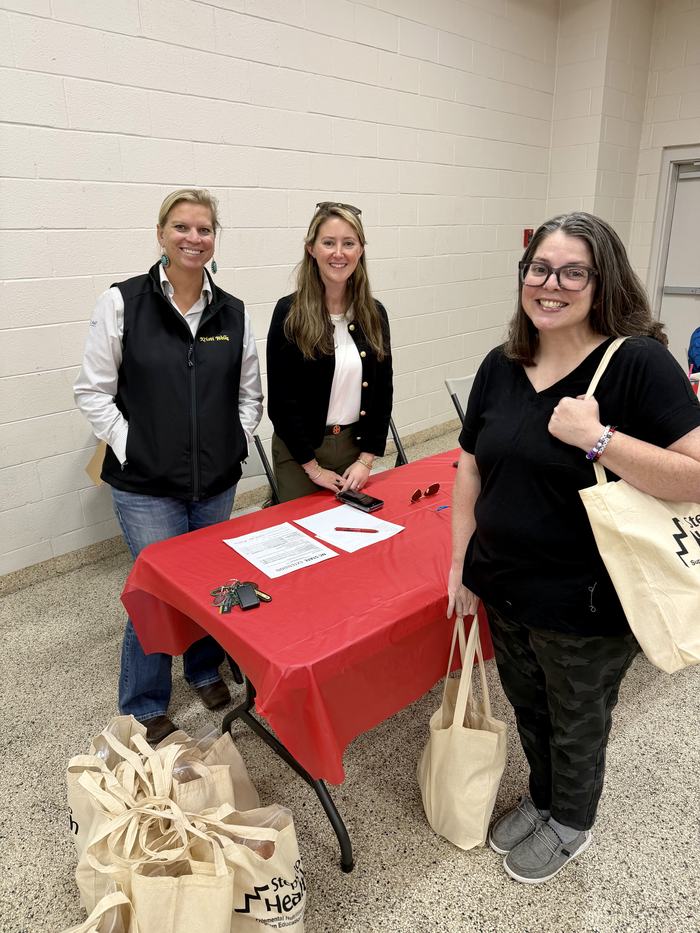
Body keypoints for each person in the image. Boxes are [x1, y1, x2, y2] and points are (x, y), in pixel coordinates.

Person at [447, 212, 700, 884]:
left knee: (577, 717)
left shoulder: (636, 362)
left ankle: (572, 818)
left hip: (587, 600)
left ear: (601, 280)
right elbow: (469, 464)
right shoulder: (501, 365)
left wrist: (598, 439)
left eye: (571, 271)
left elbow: (698, 473)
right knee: (528, 707)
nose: (550, 283)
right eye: (538, 268)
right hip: (503, 583)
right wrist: (459, 561)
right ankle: (541, 796)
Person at [74, 188, 263, 744]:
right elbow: (93, 391)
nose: (193, 238)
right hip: (145, 485)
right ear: (161, 235)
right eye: (181, 227)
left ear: (214, 239)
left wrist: (234, 439)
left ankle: (204, 669)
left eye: (204, 229)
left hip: (215, 481)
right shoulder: (122, 302)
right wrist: (131, 444)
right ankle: (144, 701)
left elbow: (250, 395)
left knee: (209, 584)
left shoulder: (233, 311)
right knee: (156, 591)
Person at [266, 202, 393, 502]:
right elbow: (282, 403)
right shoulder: (289, 313)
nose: (339, 253)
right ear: (311, 249)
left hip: (354, 448)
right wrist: (313, 469)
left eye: (348, 243)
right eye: (328, 243)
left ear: (360, 250)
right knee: (305, 539)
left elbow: (382, 392)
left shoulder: (374, 314)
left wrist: (366, 459)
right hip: (300, 454)